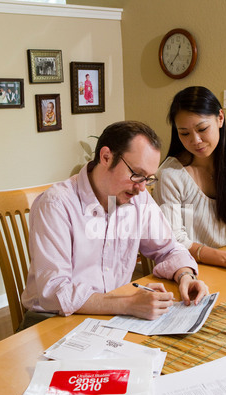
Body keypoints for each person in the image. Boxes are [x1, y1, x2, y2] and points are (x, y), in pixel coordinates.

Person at [21, 121, 209, 328]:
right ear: (106, 157)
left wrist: (185, 275)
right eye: (136, 174)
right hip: (52, 320)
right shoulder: (56, 204)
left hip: (110, 317)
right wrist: (128, 303)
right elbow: (55, 292)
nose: (141, 188)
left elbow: (169, 248)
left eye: (148, 179)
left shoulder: (138, 197)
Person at [153, 86, 226, 275]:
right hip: (190, 272)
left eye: (202, 129)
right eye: (184, 133)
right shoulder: (170, 175)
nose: (196, 140)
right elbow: (175, 240)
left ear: (220, 118)